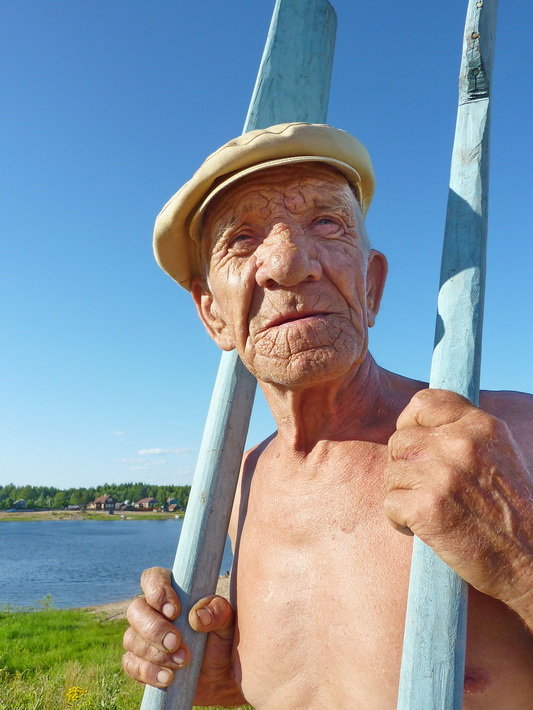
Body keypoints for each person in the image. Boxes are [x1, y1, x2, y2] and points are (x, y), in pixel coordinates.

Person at [122, 123, 533, 708]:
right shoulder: (238, 487)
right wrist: (211, 677)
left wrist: (522, 562)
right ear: (211, 314)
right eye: (240, 241)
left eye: (326, 223)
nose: (288, 264)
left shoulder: (508, 438)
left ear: (372, 285)